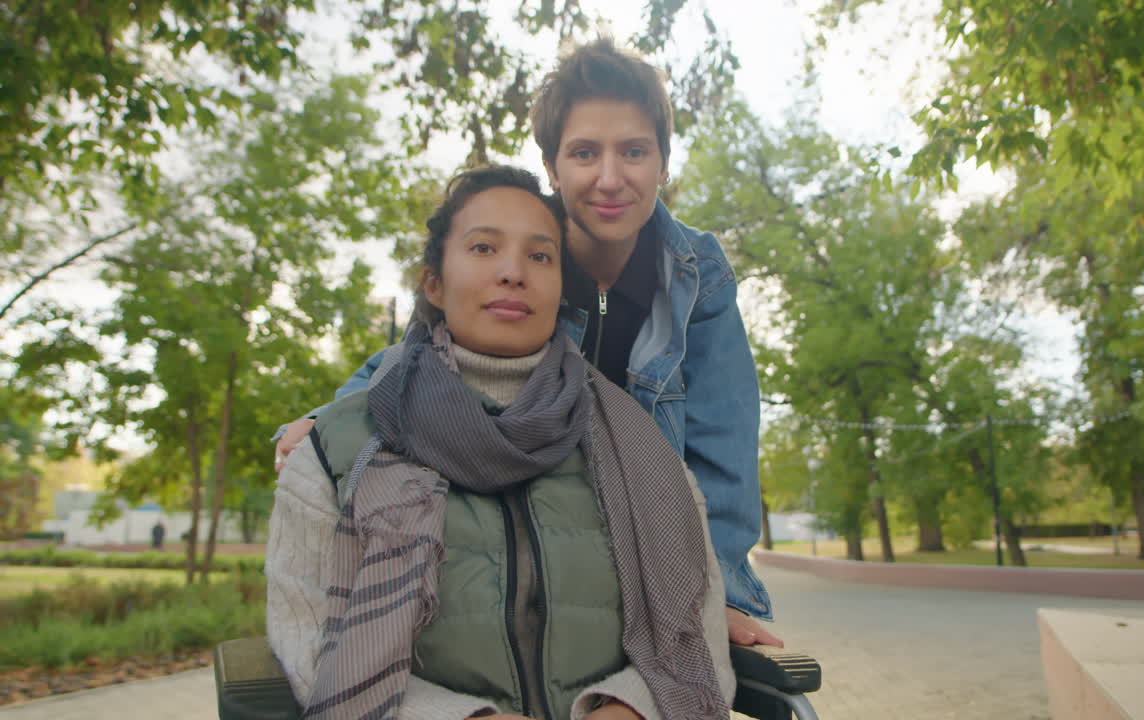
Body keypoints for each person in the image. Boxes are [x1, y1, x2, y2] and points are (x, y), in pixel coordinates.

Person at [273, 37, 780, 648]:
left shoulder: (697, 273)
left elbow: (723, 441)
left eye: (635, 152)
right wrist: (324, 417)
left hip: (647, 537)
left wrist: (710, 592)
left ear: (663, 165)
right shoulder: (524, 253)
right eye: (585, 153)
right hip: (529, 527)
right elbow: (422, 353)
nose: (610, 178)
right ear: (553, 167)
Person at [266, 166, 734, 720]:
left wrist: (632, 710)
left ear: (562, 288)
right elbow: (309, 646)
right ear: (433, 283)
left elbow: (697, 631)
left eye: (540, 256)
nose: (513, 272)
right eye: (484, 247)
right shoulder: (336, 451)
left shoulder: (641, 451)